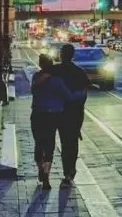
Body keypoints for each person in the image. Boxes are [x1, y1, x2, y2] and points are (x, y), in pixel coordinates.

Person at [31, 54, 86, 190]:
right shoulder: (57, 81)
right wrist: (83, 93)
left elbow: (33, 90)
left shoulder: (36, 77)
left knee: (39, 143)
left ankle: (40, 167)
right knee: (49, 145)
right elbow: (70, 97)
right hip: (53, 116)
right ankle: (46, 178)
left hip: (37, 115)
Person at [52, 44, 89, 189]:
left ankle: (67, 171)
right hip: (75, 113)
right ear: (73, 55)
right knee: (71, 143)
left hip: (59, 112)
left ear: (61, 55)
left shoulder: (55, 70)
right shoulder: (79, 72)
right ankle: (69, 172)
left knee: (64, 142)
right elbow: (84, 93)